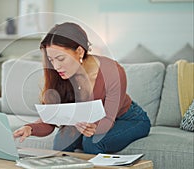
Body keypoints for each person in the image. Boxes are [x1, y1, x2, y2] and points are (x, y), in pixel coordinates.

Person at [13, 22, 151, 154]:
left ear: (79, 51)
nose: (55, 66)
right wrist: (30, 128)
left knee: (92, 141)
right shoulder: (60, 75)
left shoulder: (112, 71)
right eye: (51, 60)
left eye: (60, 59)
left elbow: (108, 119)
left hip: (127, 118)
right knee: (61, 142)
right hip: (83, 121)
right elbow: (50, 119)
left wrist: (94, 128)